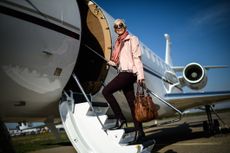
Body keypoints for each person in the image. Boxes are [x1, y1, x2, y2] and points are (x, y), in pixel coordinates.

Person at [102, 18, 145, 142]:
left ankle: (120, 118)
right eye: (116, 26)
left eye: (120, 25)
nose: (118, 27)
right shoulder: (118, 43)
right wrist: (110, 62)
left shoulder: (132, 39)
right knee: (132, 105)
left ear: (125, 26)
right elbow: (119, 62)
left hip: (129, 73)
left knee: (106, 91)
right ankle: (140, 132)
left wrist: (140, 76)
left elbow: (137, 58)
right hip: (123, 72)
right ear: (115, 29)